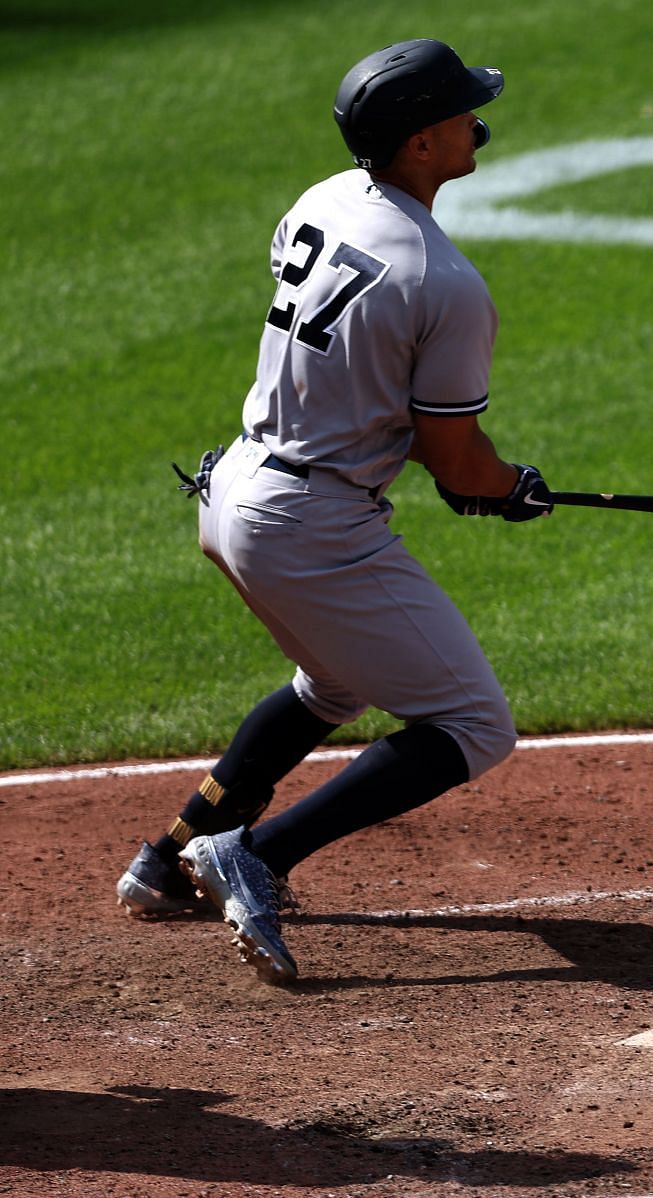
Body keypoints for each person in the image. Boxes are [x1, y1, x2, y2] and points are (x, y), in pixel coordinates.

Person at [114, 39, 550, 985]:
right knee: (474, 726)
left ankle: (167, 856)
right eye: (461, 111)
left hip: (234, 490)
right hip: (310, 525)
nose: (480, 119)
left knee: (333, 684)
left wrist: (476, 480)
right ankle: (253, 855)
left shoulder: (321, 199)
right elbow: (457, 463)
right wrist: (508, 486)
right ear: (423, 146)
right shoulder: (444, 283)